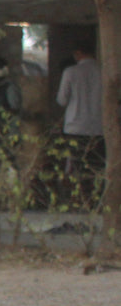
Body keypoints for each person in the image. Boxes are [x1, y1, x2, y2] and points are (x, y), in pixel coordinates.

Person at [55, 37, 104, 200]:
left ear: (78, 53)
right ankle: (94, 199)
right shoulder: (104, 72)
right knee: (96, 167)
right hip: (99, 128)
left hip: (75, 127)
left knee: (75, 165)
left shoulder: (70, 72)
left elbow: (62, 100)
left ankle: (75, 200)